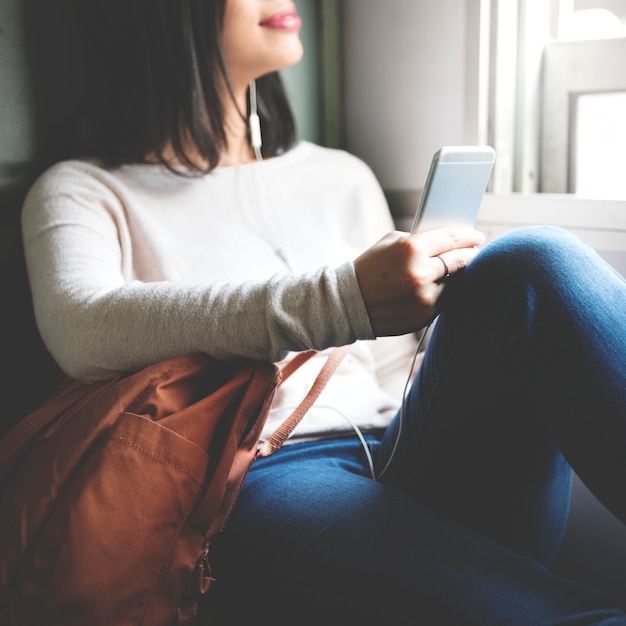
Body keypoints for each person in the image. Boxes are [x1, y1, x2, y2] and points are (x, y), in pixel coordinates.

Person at [20, 1, 626, 624]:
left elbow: (392, 372)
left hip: (401, 445)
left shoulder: (340, 176)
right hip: (268, 469)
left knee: (533, 258)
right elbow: (82, 328)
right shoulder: (84, 191)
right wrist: (345, 299)